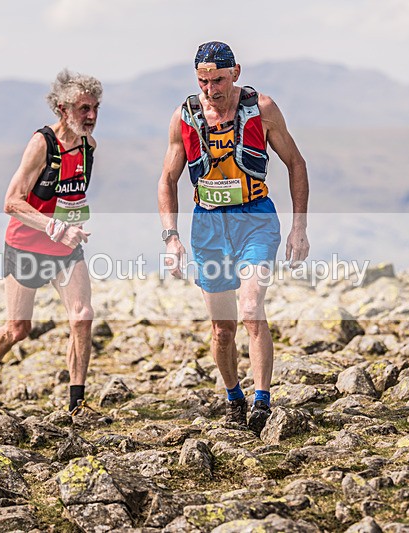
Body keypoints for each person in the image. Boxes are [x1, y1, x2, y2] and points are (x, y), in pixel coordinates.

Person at [157, 42, 310, 435]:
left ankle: (262, 401)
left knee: (251, 306)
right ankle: (233, 397)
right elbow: (167, 181)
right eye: (204, 81)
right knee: (222, 329)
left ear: (236, 73)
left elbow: (296, 163)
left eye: (219, 80)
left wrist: (299, 227)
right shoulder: (185, 116)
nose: (211, 89)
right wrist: (171, 238)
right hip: (208, 225)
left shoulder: (262, 109)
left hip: (255, 218)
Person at [0, 69, 101, 414]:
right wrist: (56, 226)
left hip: (66, 248)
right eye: (83, 108)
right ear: (62, 108)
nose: (90, 116)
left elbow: (71, 195)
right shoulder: (41, 144)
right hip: (25, 248)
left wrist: (72, 225)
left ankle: (77, 403)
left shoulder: (89, 146)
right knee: (18, 329)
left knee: (82, 316)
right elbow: (11, 201)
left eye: (95, 108)